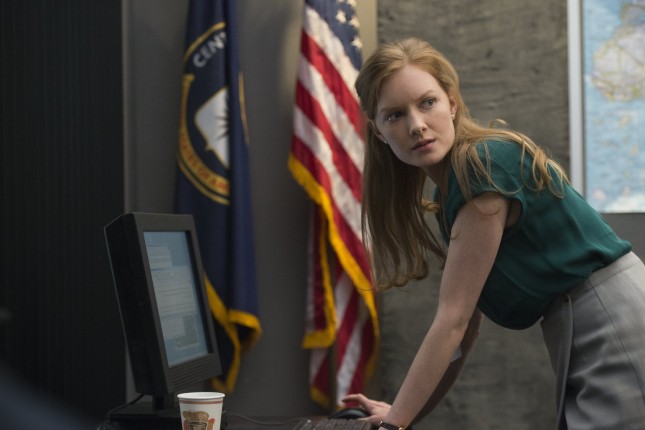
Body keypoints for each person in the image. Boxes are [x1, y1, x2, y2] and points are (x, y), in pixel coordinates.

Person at [342, 37, 645, 430]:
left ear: (452, 102)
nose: (416, 125)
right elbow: (463, 330)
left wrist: (394, 425)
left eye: (427, 103)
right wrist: (402, 416)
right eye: (395, 115)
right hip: (588, 327)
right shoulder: (452, 192)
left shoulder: (480, 168)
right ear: (378, 131)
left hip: (614, 322)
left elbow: (452, 321)